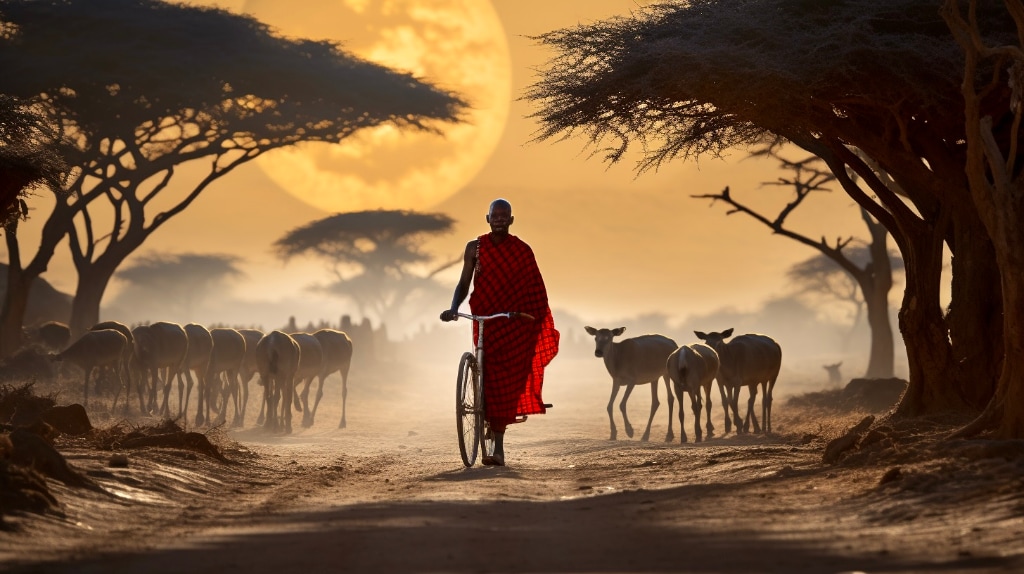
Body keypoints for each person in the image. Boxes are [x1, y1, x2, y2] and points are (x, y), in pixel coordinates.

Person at [440, 198, 559, 466]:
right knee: (485, 370)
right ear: (488, 219)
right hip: (484, 317)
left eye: (505, 217)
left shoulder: (522, 251)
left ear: (511, 220)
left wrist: (528, 316)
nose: (500, 221)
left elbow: (535, 292)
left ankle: (499, 448)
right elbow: (463, 284)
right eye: (496, 216)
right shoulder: (475, 248)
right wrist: (453, 308)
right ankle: (484, 410)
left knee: (504, 382)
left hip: (512, 325)